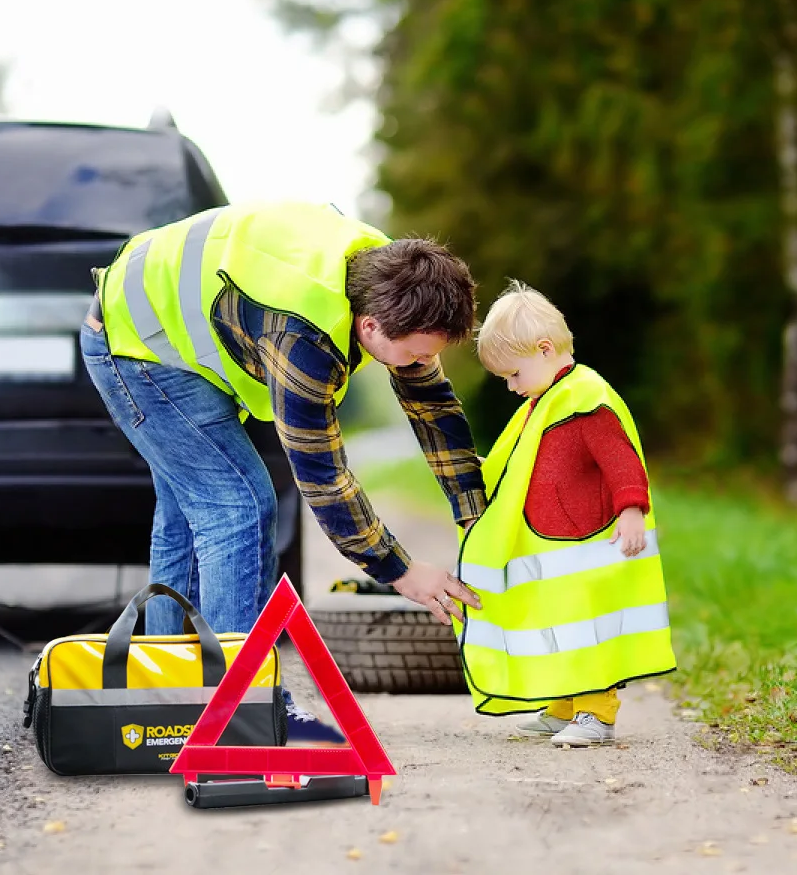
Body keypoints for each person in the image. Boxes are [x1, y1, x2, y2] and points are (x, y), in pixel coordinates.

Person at [80, 199, 485, 741]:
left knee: (186, 512)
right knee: (238, 504)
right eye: (413, 355)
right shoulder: (304, 336)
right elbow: (322, 475)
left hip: (155, 324)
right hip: (135, 343)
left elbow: (433, 407)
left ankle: (169, 701)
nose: (418, 366)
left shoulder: (394, 280)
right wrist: (401, 572)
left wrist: (475, 518)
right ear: (370, 326)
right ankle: (238, 710)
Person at [457, 281, 675, 747]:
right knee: (559, 628)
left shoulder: (585, 399)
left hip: (588, 547)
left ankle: (597, 715)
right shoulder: (542, 403)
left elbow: (621, 459)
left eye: (513, 374)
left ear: (544, 349)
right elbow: (511, 463)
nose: (511, 387)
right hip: (554, 548)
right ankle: (562, 708)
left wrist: (632, 508)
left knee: (588, 633)